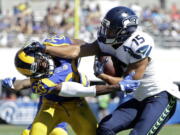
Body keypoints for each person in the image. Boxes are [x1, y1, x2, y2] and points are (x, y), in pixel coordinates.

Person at [25, 6, 180, 135]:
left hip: (161, 96)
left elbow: (130, 81)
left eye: (111, 30)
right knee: (105, 128)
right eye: (105, 27)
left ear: (124, 31)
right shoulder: (106, 43)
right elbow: (76, 51)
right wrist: (46, 48)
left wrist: (102, 75)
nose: (106, 32)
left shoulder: (138, 44)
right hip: (140, 98)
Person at [5, 35, 139, 135]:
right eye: (37, 70)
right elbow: (86, 91)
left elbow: (79, 44)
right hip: (52, 106)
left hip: (77, 105)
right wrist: (118, 87)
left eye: (40, 62)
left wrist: (91, 51)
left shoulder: (53, 43)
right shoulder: (41, 84)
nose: (44, 66)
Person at [2, 77, 68, 135]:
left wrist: (13, 83)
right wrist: (13, 83)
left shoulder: (53, 76)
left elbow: (24, 83)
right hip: (48, 124)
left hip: (55, 125)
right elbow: (24, 83)